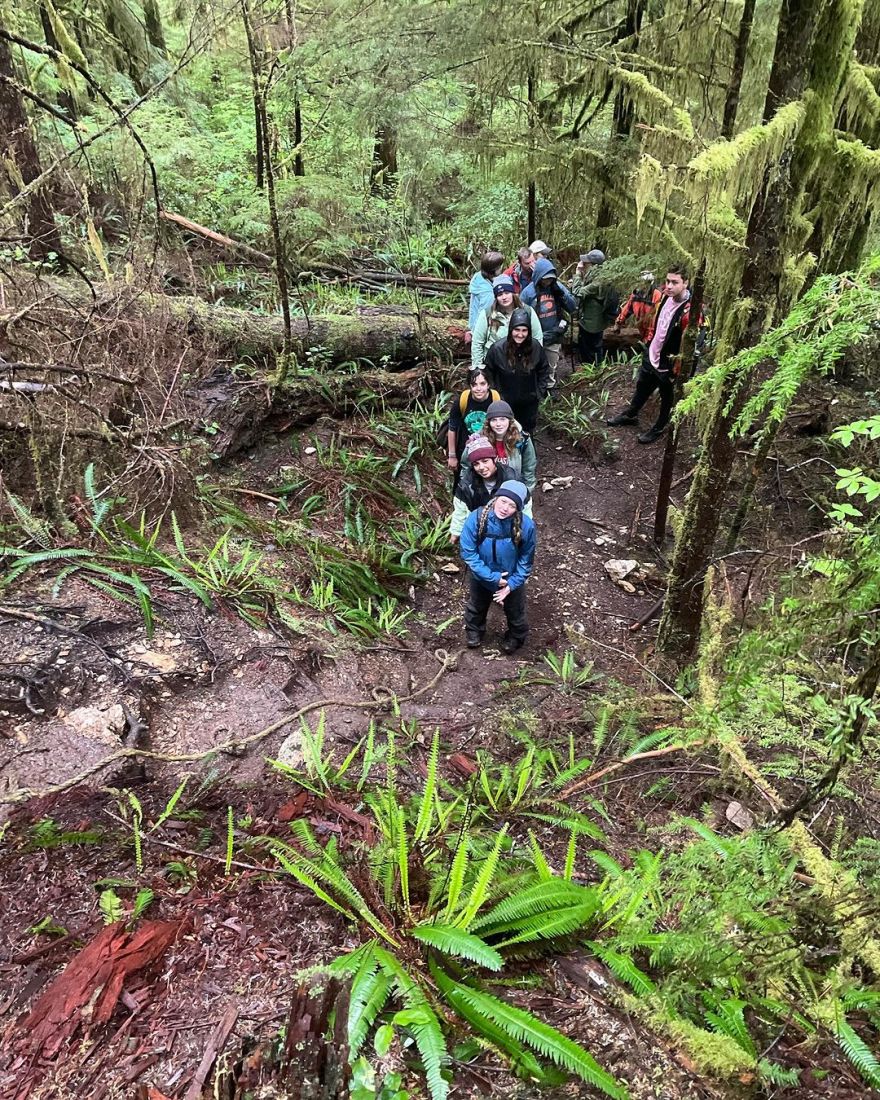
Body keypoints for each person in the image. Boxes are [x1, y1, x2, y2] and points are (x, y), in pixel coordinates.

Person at [606, 264, 697, 445]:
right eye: (667, 281)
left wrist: (677, 369)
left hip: (669, 362)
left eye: (675, 282)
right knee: (642, 385)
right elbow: (655, 321)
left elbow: (691, 345)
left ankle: (660, 426)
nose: (669, 286)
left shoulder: (691, 311)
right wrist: (648, 342)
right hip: (652, 353)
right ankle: (631, 414)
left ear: (685, 283)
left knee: (667, 396)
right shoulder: (663, 297)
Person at [459, 480, 536, 653]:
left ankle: (515, 638)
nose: (505, 508)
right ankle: (474, 632)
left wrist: (511, 584)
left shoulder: (526, 526)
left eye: (512, 505)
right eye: (503, 501)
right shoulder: (477, 518)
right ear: (496, 498)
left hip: (511, 577)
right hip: (481, 575)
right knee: (476, 606)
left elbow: (526, 559)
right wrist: (492, 578)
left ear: (518, 508)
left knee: (516, 611)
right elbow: (468, 552)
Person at [449, 434, 531, 542]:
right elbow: (460, 510)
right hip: (479, 533)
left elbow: (525, 505)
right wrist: (456, 533)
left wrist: (525, 531)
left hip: (508, 532)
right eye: (476, 464)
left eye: (485, 461)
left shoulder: (511, 477)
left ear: (494, 459)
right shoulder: (466, 485)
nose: (481, 467)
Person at [483, 310, 550, 434]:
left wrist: (539, 393)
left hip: (529, 401)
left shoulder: (535, 347)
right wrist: (495, 396)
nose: (520, 334)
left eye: (524, 330)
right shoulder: (497, 349)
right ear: (511, 330)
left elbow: (544, 370)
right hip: (504, 401)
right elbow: (487, 373)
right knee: (505, 432)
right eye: (517, 330)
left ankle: (528, 452)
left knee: (527, 432)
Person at [519, 256, 577, 393]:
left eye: (550, 278)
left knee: (551, 364)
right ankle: (535, 389)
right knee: (533, 364)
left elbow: (573, 306)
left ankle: (550, 387)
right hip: (534, 337)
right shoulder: (528, 293)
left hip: (554, 334)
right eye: (545, 278)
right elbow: (520, 315)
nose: (548, 281)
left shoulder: (557, 287)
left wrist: (560, 292)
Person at [463, 399, 537, 491]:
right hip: (485, 490)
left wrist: (527, 491)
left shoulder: (521, 440)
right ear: (488, 422)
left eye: (502, 419)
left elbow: (529, 468)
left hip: (512, 489)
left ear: (510, 421)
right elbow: (466, 465)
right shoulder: (477, 440)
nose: (498, 424)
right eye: (494, 420)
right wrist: (467, 490)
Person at [471, 274, 542, 369]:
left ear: (513, 293)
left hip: (522, 362)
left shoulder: (527, 311)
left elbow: (537, 337)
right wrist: (478, 368)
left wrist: (535, 361)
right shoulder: (487, 314)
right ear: (496, 297)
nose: (504, 297)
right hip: (494, 363)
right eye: (500, 294)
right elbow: (477, 342)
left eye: (507, 293)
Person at [446, 369, 501, 474]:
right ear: (470, 386)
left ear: (488, 385)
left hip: (489, 450)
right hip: (465, 450)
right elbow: (452, 428)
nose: (478, 389)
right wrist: (452, 456)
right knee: (463, 483)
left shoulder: (496, 399)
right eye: (474, 385)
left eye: (482, 384)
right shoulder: (462, 400)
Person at [572, 249, 619, 366]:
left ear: (593, 265)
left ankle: (593, 371)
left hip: (591, 323)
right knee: (594, 347)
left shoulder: (598, 280)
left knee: (590, 350)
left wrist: (577, 274)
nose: (583, 264)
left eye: (586, 262)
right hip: (595, 320)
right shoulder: (600, 276)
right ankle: (595, 369)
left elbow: (577, 292)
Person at [467, 251, 505, 343]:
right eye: (500, 266)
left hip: (474, 324)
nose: (501, 268)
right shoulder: (488, 293)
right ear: (494, 270)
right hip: (483, 333)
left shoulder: (479, 277)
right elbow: (484, 315)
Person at [615, 272, 662, 340]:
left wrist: (650, 337)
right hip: (640, 327)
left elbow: (655, 317)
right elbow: (627, 309)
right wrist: (618, 322)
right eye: (642, 282)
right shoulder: (636, 294)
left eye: (646, 283)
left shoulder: (656, 294)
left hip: (651, 330)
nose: (643, 285)